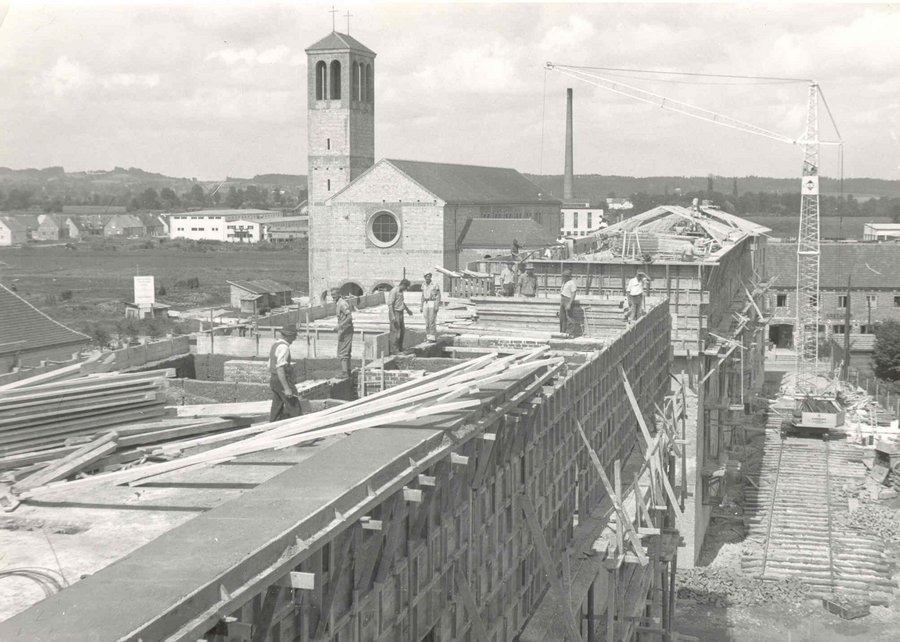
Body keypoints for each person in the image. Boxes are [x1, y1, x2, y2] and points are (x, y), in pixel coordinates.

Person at [269, 323, 302, 422]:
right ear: (289, 336)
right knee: (294, 407)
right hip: (282, 380)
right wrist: (287, 388)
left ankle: (272, 428)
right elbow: (280, 368)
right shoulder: (284, 348)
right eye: (294, 336)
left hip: (274, 379)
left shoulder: (275, 345)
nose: (294, 339)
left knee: (276, 408)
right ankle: (301, 432)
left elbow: (270, 365)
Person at [388, 279, 413, 353]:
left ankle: (400, 348)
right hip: (395, 312)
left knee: (402, 331)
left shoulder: (401, 292)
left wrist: (407, 310)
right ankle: (394, 350)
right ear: (403, 285)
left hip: (400, 312)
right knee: (395, 331)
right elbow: (390, 304)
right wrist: (392, 316)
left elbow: (401, 302)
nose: (406, 289)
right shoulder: (394, 291)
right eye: (406, 287)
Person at [333, 288, 353, 378]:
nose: (333, 296)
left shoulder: (342, 303)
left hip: (345, 330)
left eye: (334, 294)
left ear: (339, 294)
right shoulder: (338, 303)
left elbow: (349, 317)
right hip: (344, 330)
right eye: (332, 295)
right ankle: (347, 371)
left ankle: (345, 373)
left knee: (342, 351)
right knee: (345, 351)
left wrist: (340, 326)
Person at [420, 272, 441, 341]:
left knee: (432, 320)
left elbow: (438, 295)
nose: (427, 278)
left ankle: (432, 336)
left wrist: (437, 305)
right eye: (426, 276)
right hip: (426, 303)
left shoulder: (435, 284)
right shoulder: (423, 284)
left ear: (430, 277)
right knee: (427, 321)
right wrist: (421, 305)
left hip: (432, 302)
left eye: (428, 276)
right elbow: (422, 295)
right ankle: (428, 336)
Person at [560, 269, 577, 334]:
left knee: (569, 317)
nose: (563, 277)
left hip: (568, 299)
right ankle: (563, 332)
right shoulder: (564, 282)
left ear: (568, 276)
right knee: (562, 317)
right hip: (563, 299)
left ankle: (570, 333)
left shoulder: (572, 283)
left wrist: (569, 303)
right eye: (563, 276)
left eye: (565, 276)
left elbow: (573, 294)